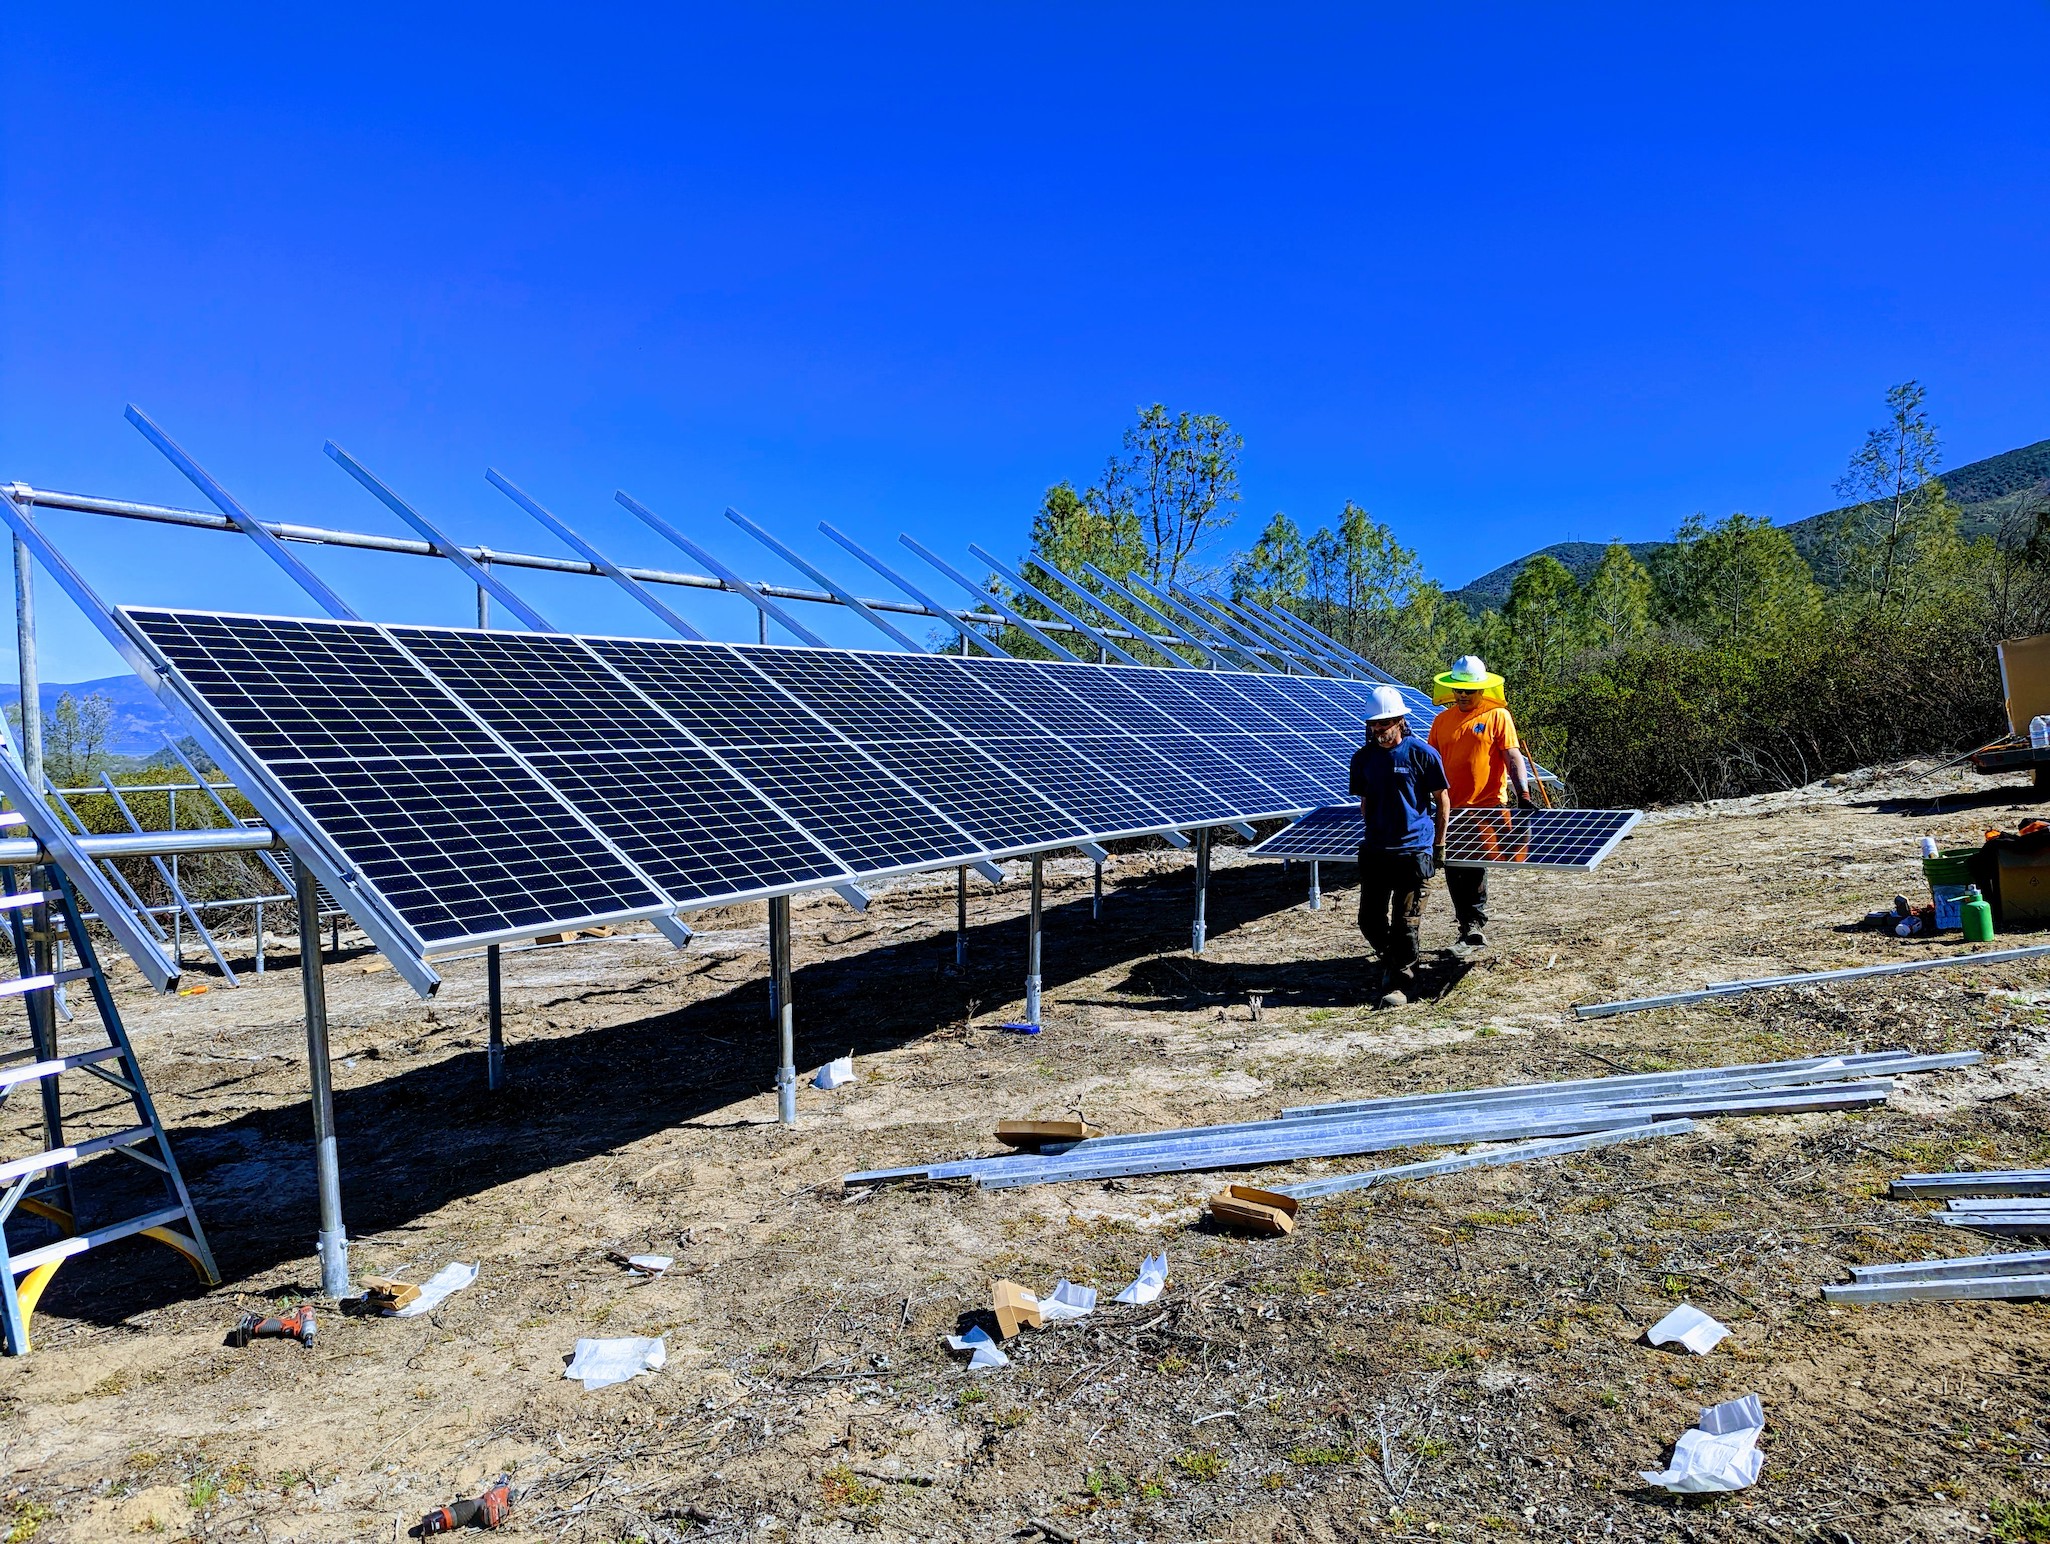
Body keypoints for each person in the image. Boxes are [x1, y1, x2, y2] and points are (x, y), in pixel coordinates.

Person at [1349, 684, 1449, 1010]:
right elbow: (1365, 802)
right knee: (1370, 920)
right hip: (1377, 850)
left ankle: (1400, 984)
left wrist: (1439, 845)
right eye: (1374, 724)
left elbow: (1442, 800)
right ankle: (1395, 962)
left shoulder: (1421, 754)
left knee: (1405, 923)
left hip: (1412, 850)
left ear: (1400, 721)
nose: (1378, 729)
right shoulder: (1362, 759)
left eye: (1385, 722)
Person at [1426, 653, 1533, 950]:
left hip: (1487, 804)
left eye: (1468, 691)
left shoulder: (1497, 715)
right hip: (1450, 806)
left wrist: (1523, 793)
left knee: (1474, 865)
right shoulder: (1441, 721)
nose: (1462, 695)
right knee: (1452, 865)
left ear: (1481, 689)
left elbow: (1512, 755)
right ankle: (1466, 925)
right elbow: (1430, 763)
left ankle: (1474, 924)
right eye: (1458, 689)